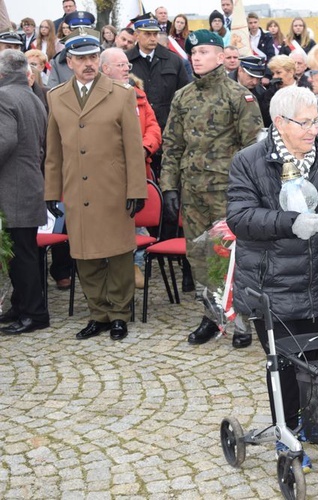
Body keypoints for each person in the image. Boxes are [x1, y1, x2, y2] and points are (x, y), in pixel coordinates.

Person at [227, 85, 318, 472]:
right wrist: (291, 223)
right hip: (269, 285)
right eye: (305, 122)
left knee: (314, 360)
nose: (314, 129)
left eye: (316, 120)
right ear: (279, 122)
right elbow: (239, 218)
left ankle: (309, 425)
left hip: (316, 282)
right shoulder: (250, 161)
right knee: (285, 364)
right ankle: (286, 434)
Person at [159, 29, 263, 347]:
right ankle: (211, 317)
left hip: (227, 194)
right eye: (194, 52)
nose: (196, 57)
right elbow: (172, 145)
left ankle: (243, 320)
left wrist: (250, 195)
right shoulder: (183, 97)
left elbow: (253, 150)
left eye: (204, 51)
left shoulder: (238, 96)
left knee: (231, 257)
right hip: (193, 194)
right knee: (199, 256)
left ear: (221, 57)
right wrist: (168, 187)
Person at [45, 28, 148, 340]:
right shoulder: (56, 97)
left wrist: (136, 190)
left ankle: (119, 314)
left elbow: (134, 147)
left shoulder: (121, 94)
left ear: (99, 60)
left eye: (92, 56)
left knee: (118, 253)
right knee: (84, 254)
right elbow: (53, 151)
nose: (87, 63)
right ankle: (98, 313)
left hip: (113, 189)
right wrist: (52, 190)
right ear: (69, 62)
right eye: (80, 58)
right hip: (77, 190)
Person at [100, 47, 162, 287]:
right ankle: (111, 268)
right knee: (110, 222)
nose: (127, 68)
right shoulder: (97, 97)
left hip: (139, 169)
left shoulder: (138, 96)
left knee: (137, 220)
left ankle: (136, 265)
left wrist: (143, 149)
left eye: (127, 64)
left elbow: (154, 128)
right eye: (121, 65)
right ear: (105, 69)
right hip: (108, 173)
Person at [0, 49, 50, 335]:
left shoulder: (4, 97)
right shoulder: (33, 97)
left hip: (13, 187)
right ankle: (21, 306)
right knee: (24, 251)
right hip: (29, 182)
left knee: (22, 255)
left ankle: (34, 314)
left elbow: (3, 142)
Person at [126, 13, 191, 178]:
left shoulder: (173, 60)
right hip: (136, 134)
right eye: (147, 34)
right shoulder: (126, 61)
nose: (152, 38)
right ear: (136, 35)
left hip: (168, 133)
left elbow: (185, 96)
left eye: (155, 33)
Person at [47, 11, 97, 88]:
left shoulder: (102, 55)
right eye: (76, 29)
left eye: (86, 28)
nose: (81, 32)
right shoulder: (59, 60)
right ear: (70, 31)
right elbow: (52, 90)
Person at [259, 54, 298, 126]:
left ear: (291, 72)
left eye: (278, 73)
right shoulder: (269, 93)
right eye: (273, 74)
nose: (275, 76)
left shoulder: (304, 89)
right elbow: (265, 116)